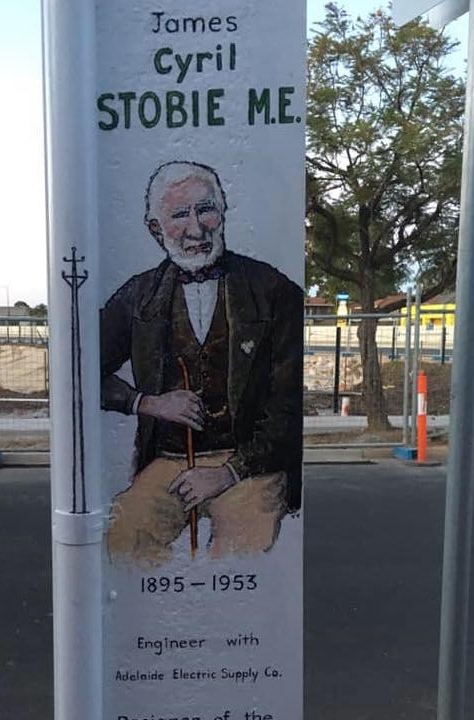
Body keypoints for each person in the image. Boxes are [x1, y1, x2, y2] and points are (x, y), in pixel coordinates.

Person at [100, 160, 303, 567]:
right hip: (169, 463)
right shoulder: (137, 297)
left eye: (205, 209)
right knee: (127, 533)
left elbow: (288, 408)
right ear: (156, 229)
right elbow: (79, 371)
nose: (196, 229)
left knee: (241, 552)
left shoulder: (275, 291)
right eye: (179, 215)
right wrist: (146, 402)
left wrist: (228, 472)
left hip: (251, 465)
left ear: (223, 210)